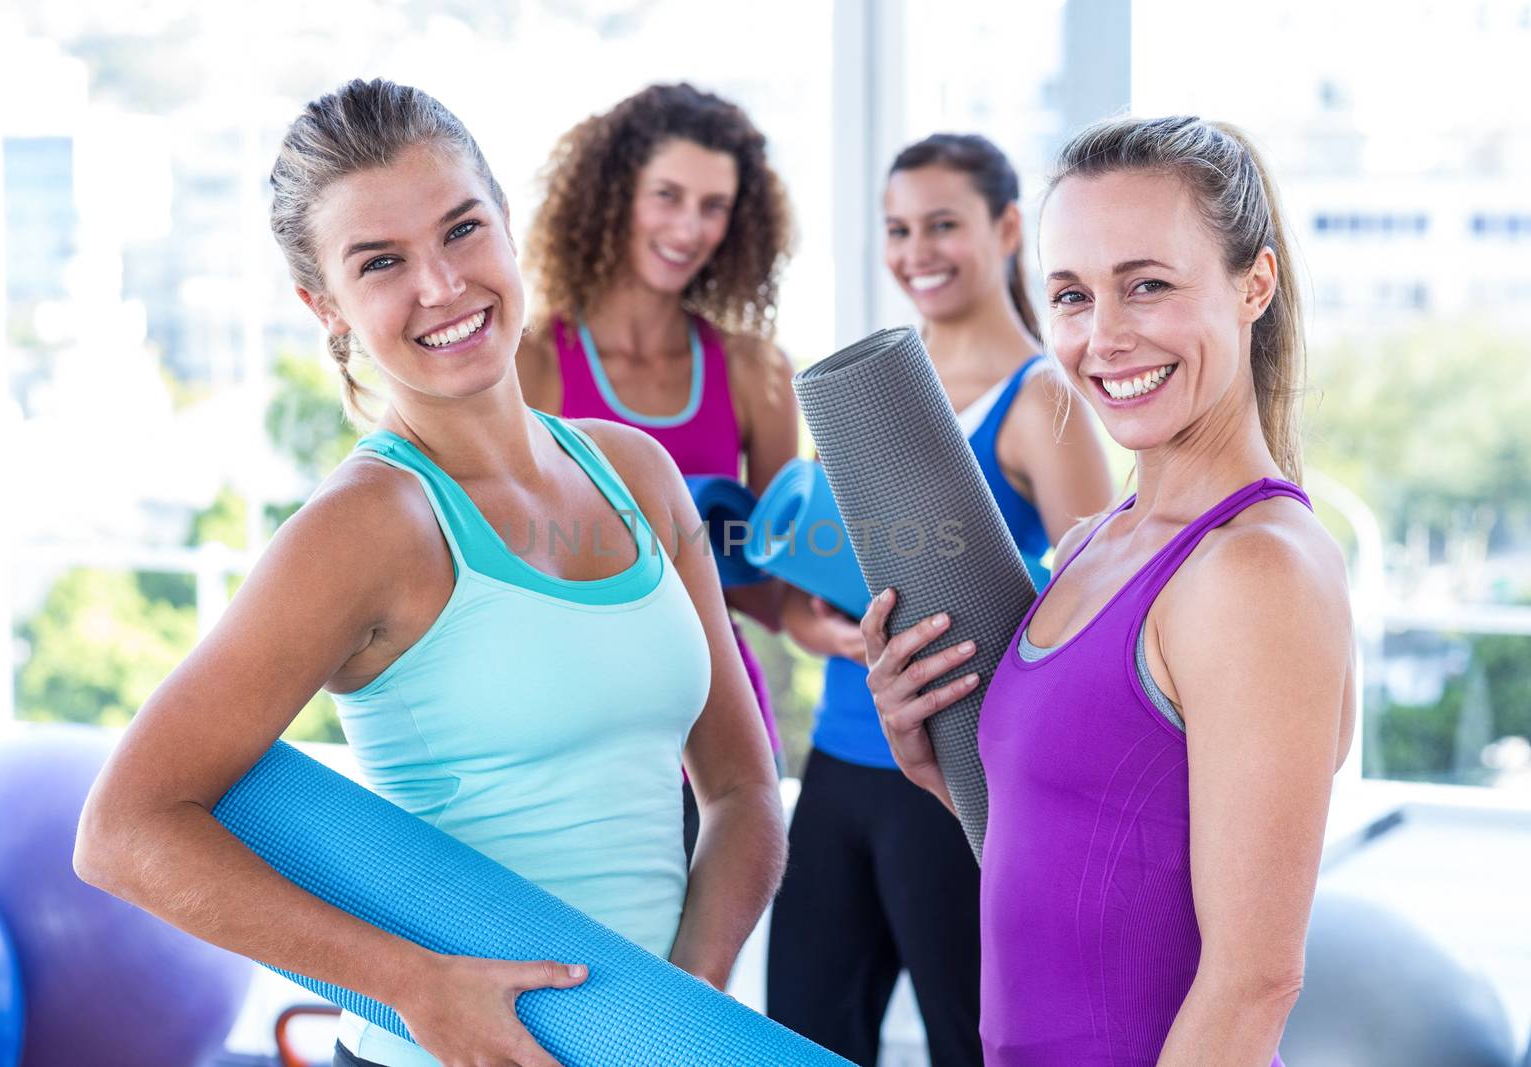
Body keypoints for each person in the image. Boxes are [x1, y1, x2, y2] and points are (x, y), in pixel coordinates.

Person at [72, 79, 785, 1067]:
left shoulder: (636, 471)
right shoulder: (365, 526)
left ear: (507, 225)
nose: (443, 286)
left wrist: (680, 1006)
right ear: (324, 306)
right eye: (381, 263)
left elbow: (744, 787)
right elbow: (122, 829)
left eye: (461, 230)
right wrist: (412, 984)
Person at [864, 115, 1357, 1067]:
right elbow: (1083, 850)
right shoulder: (1093, 543)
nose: (1105, 336)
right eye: (1072, 295)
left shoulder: (1256, 570)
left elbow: (1254, 980)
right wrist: (932, 754)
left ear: (1254, 284)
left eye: (1148, 287)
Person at [767, 133, 1114, 1066]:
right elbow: (805, 608)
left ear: (1007, 229)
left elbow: (1102, 598)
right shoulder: (875, 394)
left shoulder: (1046, 397)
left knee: (975, 1041)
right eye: (897, 228)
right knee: (799, 1033)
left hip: (955, 773)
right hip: (840, 762)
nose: (916, 249)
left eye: (943, 225)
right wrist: (831, 630)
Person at [516, 82, 800, 842]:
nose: (690, 227)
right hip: (572, 737)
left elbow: (770, 590)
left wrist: (837, 607)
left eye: (714, 206)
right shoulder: (534, 362)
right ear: (613, 197)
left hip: (717, 746)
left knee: (695, 967)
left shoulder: (754, 371)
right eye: (667, 195)